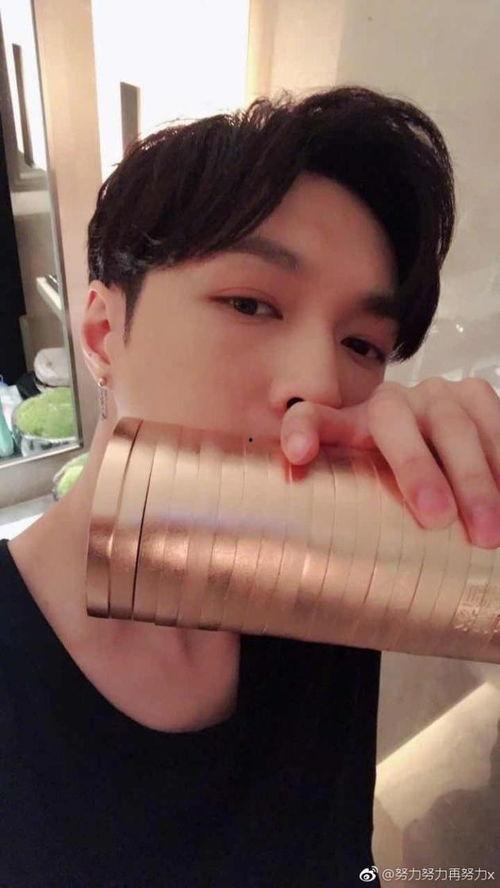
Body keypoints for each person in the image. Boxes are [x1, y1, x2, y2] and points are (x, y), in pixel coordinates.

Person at [2, 84, 499, 888]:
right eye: (250, 303)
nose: (321, 385)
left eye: (363, 345)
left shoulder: (337, 595)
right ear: (100, 333)